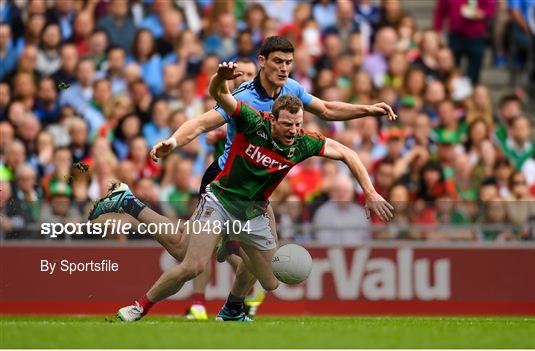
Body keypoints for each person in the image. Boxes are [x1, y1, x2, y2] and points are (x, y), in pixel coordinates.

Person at [89, 36, 398, 321]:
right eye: (278, 61)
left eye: (288, 63)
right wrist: (174, 141)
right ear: (262, 62)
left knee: (267, 275)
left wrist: (368, 110)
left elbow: (329, 110)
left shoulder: (293, 95)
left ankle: (234, 300)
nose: (284, 68)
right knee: (189, 256)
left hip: (259, 192)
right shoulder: (246, 103)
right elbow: (202, 120)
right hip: (226, 178)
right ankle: (155, 243)